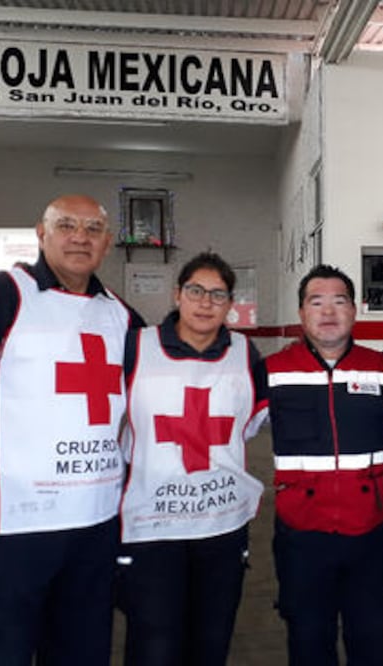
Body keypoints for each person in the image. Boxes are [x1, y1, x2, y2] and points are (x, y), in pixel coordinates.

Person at [0, 194, 144, 666]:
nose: (80, 237)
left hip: (96, 520)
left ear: (107, 243)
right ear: (41, 233)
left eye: (92, 229)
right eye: (66, 225)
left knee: (83, 649)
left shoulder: (123, 317)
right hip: (15, 518)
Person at [117, 252, 265, 666]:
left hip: (221, 527)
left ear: (230, 303)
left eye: (218, 295)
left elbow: (250, 424)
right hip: (151, 529)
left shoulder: (245, 354)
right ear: (177, 294)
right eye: (196, 291)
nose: (206, 302)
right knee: (154, 644)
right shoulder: (136, 347)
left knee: (211, 641)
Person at [257, 264, 383, 666]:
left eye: (340, 301)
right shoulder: (273, 372)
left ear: (355, 310)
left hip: (367, 535)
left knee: (373, 642)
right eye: (316, 302)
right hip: (301, 537)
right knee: (308, 643)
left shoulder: (381, 369)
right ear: (301, 313)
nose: (329, 312)